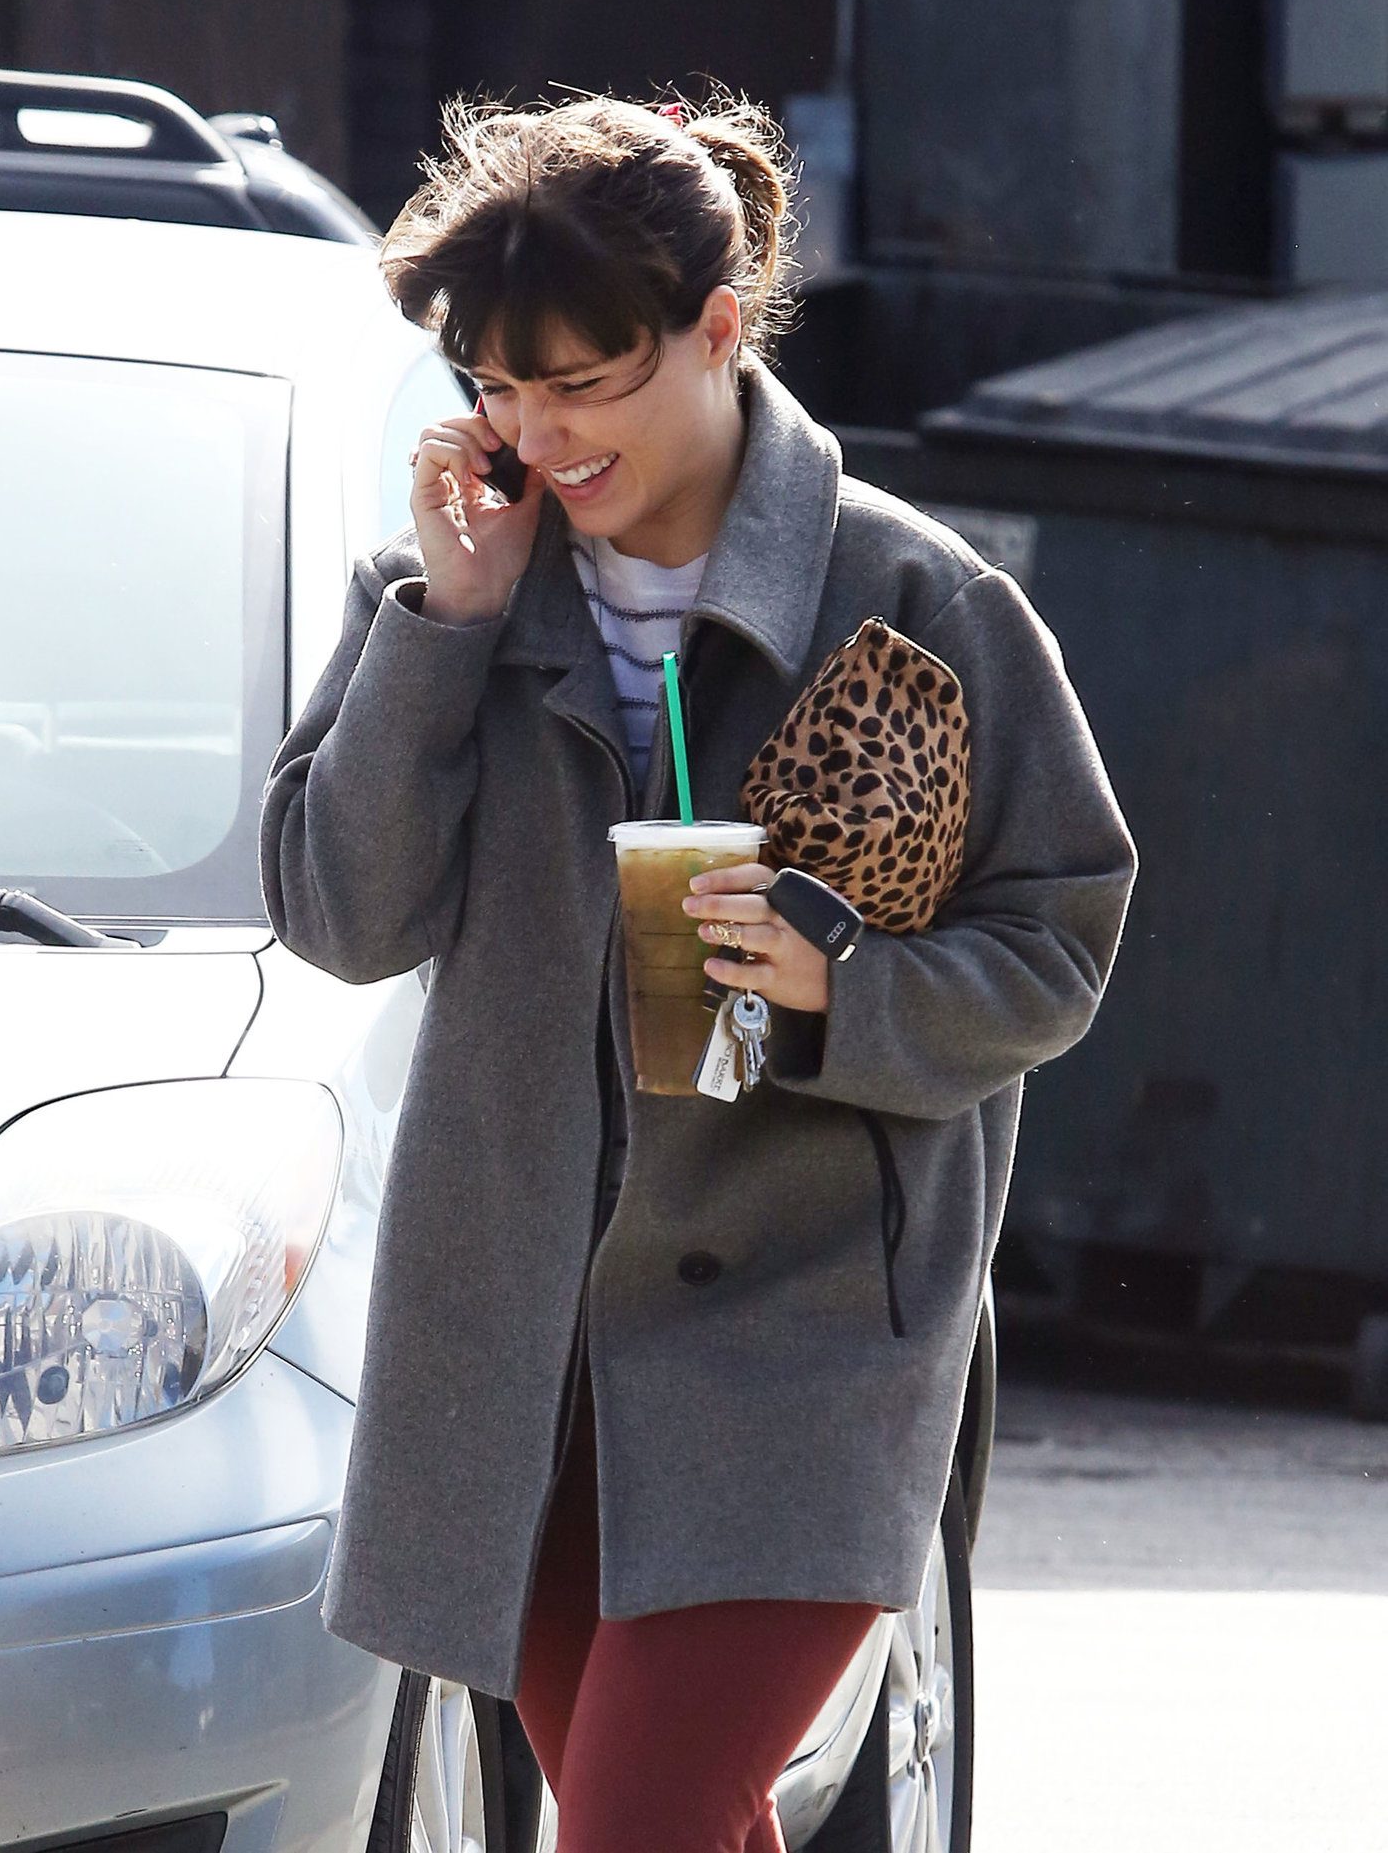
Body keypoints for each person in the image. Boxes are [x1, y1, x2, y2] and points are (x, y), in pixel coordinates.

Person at [260, 92, 1137, 1853]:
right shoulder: (448, 599)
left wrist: (839, 997)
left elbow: (1057, 939)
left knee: (634, 1828)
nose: (537, 433)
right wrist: (441, 627)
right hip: (513, 1359)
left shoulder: (919, 603)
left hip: (798, 1352)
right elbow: (341, 915)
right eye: (498, 390)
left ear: (717, 329)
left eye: (583, 384)